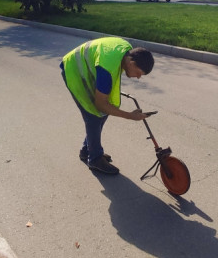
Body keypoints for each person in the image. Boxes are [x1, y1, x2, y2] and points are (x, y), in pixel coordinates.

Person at [60, 37, 154, 175]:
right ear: (131, 62)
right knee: (93, 115)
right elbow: (100, 105)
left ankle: (87, 150)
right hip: (74, 71)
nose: (138, 77)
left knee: (102, 114)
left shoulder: (127, 50)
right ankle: (95, 159)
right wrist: (130, 116)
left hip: (89, 66)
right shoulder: (107, 69)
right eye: (139, 73)